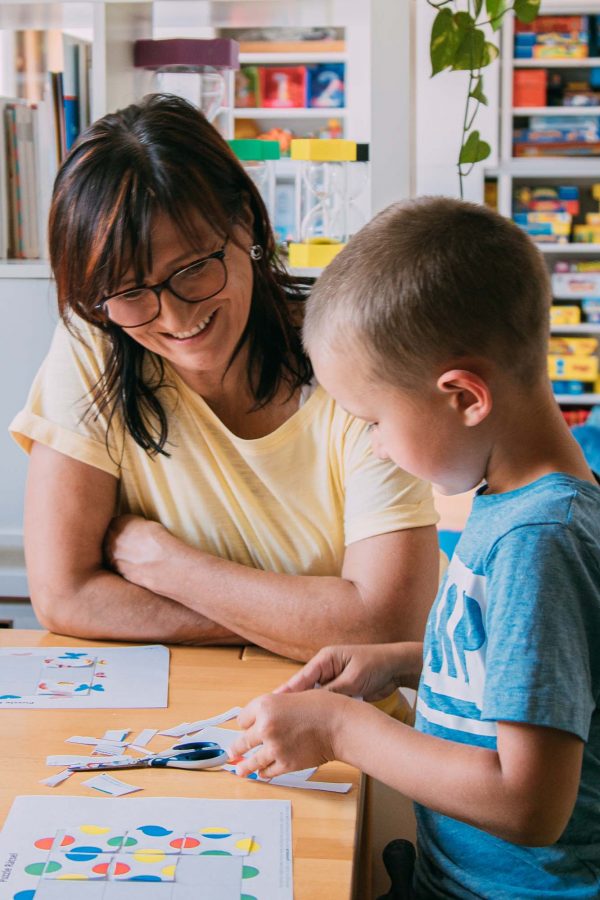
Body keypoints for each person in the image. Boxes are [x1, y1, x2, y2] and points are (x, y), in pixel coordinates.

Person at [230, 198, 600, 897]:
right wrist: (400, 665)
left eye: (374, 420)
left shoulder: (538, 542)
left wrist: (343, 731)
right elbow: (531, 669)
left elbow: (530, 803)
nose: (374, 444)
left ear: (464, 396)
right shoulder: (520, 501)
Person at [9, 94, 440, 661]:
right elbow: (64, 596)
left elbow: (385, 623)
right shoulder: (97, 342)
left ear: (245, 222)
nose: (176, 317)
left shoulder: (354, 358)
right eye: (133, 292)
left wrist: (168, 566)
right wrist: (293, 622)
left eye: (192, 269)